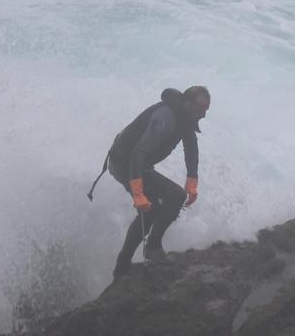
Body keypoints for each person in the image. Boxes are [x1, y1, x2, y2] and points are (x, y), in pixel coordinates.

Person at [88, 86, 210, 280]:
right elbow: (138, 152)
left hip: (140, 164)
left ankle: (139, 255)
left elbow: (191, 149)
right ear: (187, 104)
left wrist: (192, 181)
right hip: (124, 163)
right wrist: (138, 193)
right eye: (200, 109)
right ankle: (134, 259)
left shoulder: (186, 118)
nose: (203, 115)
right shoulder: (164, 118)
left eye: (206, 110)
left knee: (171, 199)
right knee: (157, 205)